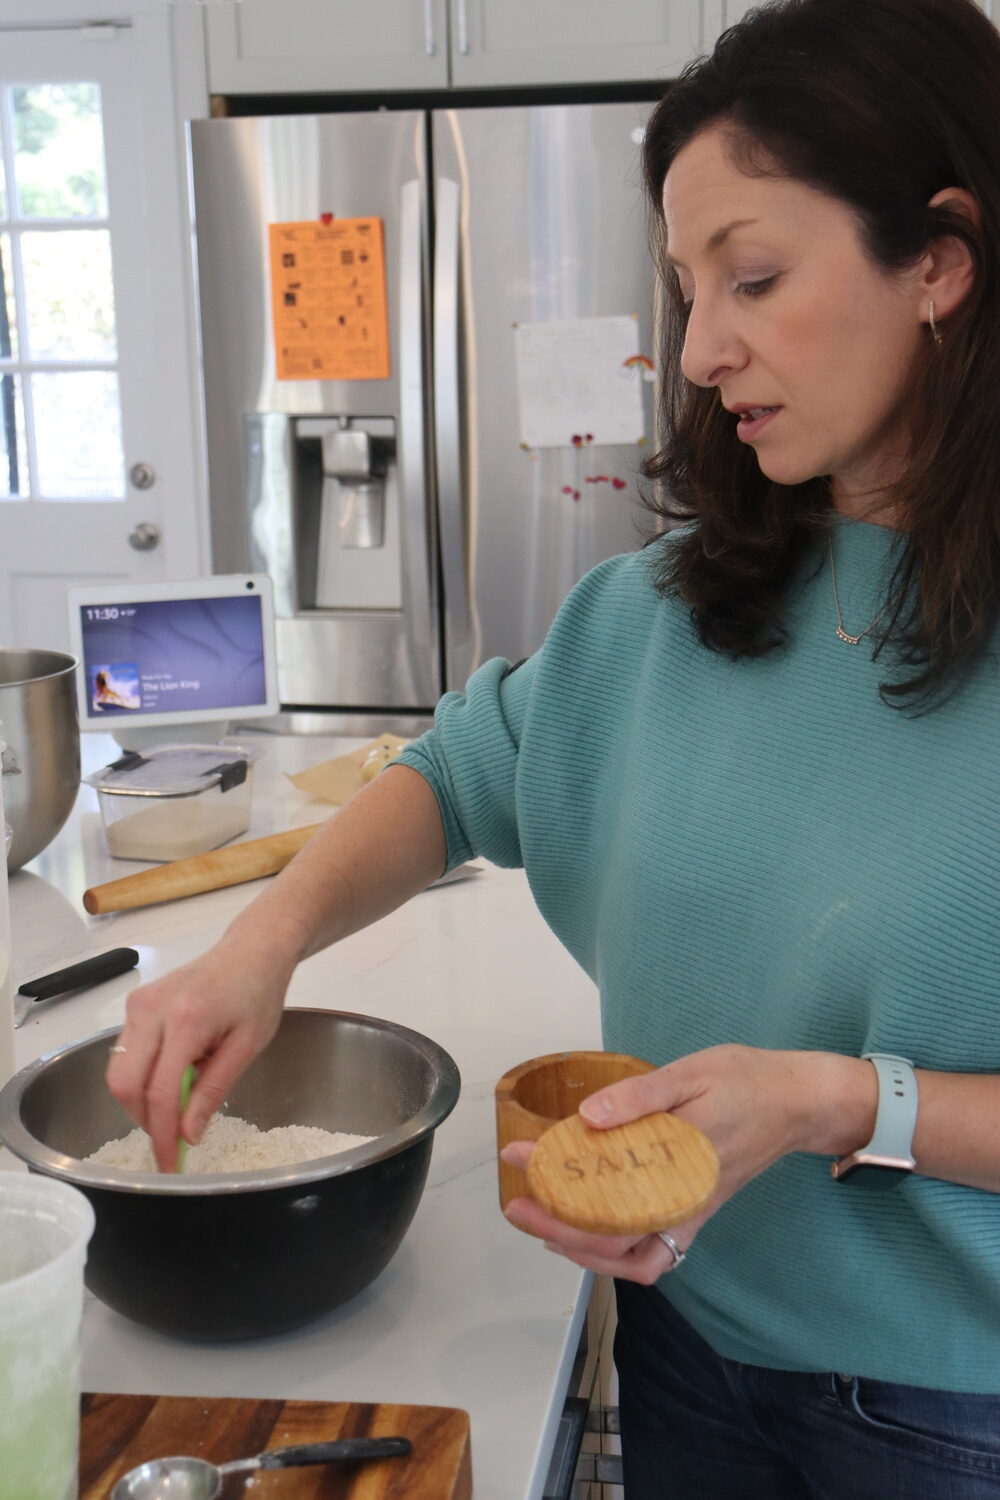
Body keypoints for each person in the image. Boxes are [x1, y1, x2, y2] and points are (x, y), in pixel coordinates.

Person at [108, 0, 1000, 1492]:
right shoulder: (663, 611)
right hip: (681, 1335)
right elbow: (459, 772)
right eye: (684, 286)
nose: (703, 347)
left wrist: (835, 1102)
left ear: (940, 261)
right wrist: (260, 946)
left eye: (756, 278)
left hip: (942, 1410)